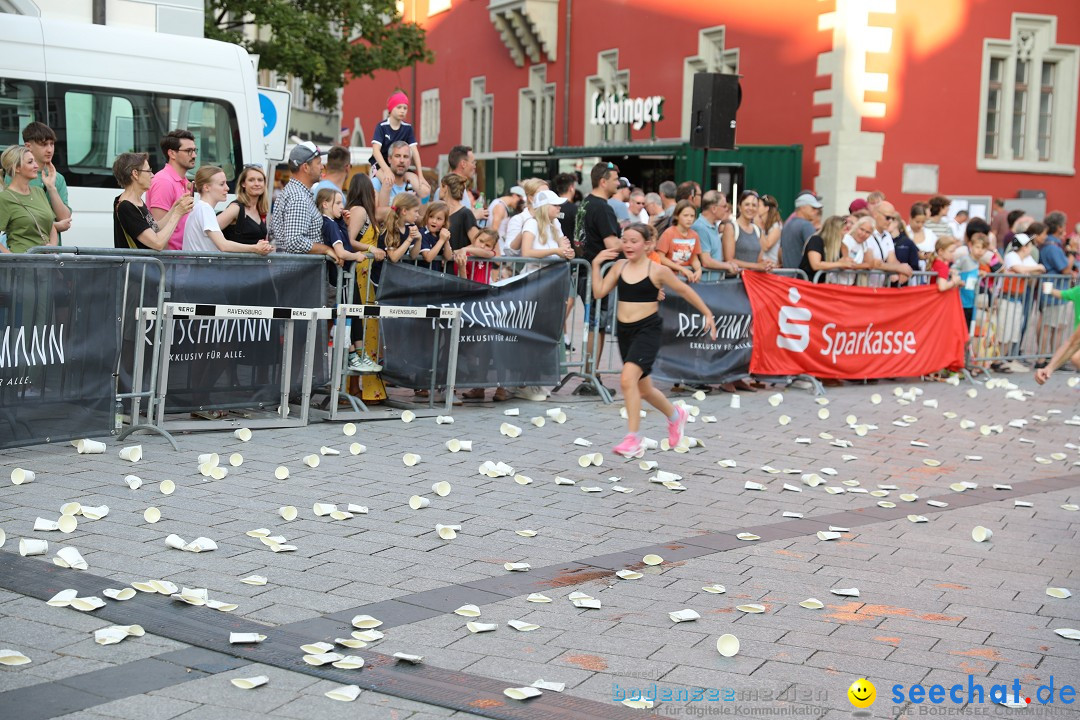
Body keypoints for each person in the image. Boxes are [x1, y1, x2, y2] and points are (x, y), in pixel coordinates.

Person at [591, 223, 718, 458]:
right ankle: (675, 416)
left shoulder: (657, 270)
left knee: (627, 379)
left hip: (647, 330)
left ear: (647, 245)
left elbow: (685, 291)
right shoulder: (619, 266)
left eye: (634, 241)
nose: (627, 245)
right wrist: (596, 264)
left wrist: (707, 313)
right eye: (624, 240)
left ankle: (633, 438)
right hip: (625, 331)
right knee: (645, 389)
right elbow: (599, 292)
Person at [573, 161, 622, 394]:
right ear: (603, 182)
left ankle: (590, 372)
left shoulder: (585, 204)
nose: (618, 183)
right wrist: (635, 242)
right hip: (596, 274)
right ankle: (591, 375)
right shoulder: (602, 207)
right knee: (597, 325)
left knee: (594, 325)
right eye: (615, 179)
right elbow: (612, 245)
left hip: (586, 271)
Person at [344, 173, 388, 397]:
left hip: (366, 273)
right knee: (362, 325)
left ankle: (359, 387)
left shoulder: (365, 211)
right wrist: (370, 249)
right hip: (360, 272)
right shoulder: (359, 210)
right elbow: (350, 241)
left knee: (366, 328)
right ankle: (355, 387)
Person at [270, 142, 342, 267]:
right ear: (306, 167)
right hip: (299, 275)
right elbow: (294, 242)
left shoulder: (294, 192)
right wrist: (326, 249)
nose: (322, 167)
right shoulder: (298, 197)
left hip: (296, 273)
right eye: (318, 163)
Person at [111, 152, 192, 250]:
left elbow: (154, 229)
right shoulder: (126, 206)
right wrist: (178, 214)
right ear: (135, 174)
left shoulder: (136, 202)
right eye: (148, 171)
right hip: (138, 265)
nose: (152, 175)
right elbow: (157, 243)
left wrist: (175, 208)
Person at [183, 166, 271, 254]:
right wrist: (255, 248)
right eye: (222, 184)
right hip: (202, 266)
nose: (227, 188)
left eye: (260, 180)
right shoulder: (204, 209)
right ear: (206, 187)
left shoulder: (201, 208)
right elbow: (223, 245)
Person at [5, 122, 71, 237]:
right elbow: (16, 219)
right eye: (44, 144)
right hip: (23, 248)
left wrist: (51, 188)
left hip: (51, 250)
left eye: (52, 144)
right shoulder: (15, 173)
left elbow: (65, 219)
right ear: (28, 146)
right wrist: (53, 226)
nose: (50, 150)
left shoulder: (58, 178)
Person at [0, 144, 58, 253]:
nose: (36, 166)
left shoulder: (39, 192)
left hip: (46, 263)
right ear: (16, 168)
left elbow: (51, 227)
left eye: (35, 161)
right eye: (30, 162)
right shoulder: (4, 198)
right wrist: (13, 258)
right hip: (22, 265)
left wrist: (52, 249)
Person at [998, 232, 1045, 366]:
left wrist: (1032, 269)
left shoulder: (1026, 258)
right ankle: (996, 360)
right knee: (1004, 332)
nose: (1031, 248)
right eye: (1029, 245)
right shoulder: (1011, 256)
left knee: (1014, 332)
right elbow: (1019, 269)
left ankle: (1001, 361)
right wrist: (1035, 268)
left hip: (1018, 298)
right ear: (1024, 247)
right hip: (1006, 297)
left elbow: (1038, 270)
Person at [147, 129, 197, 250]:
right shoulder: (164, 181)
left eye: (195, 150)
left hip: (182, 261)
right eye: (188, 151)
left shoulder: (184, 181)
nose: (194, 155)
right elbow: (158, 231)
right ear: (172, 153)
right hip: (171, 262)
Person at [370, 91, 423, 187]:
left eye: (405, 108)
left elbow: (414, 151)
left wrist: (421, 175)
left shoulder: (408, 128)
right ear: (390, 109)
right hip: (381, 165)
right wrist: (386, 170)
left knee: (422, 188)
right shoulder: (381, 127)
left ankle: (410, 200)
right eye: (399, 107)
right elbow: (375, 151)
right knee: (388, 182)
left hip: (399, 166)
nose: (402, 111)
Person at [520, 188, 573, 273]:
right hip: (533, 277)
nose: (559, 207)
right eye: (555, 205)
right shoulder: (531, 223)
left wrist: (569, 253)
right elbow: (526, 253)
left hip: (552, 276)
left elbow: (564, 247)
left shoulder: (556, 222)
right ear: (544, 207)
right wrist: (556, 251)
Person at [217, 164, 270, 245]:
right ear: (243, 184)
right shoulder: (236, 208)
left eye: (260, 180)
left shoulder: (259, 209)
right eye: (251, 180)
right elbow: (210, 230)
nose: (257, 184)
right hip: (236, 257)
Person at [373, 140, 431, 214]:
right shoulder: (376, 182)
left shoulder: (413, 185)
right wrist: (403, 207)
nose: (401, 160)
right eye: (397, 156)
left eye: (406, 157)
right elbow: (376, 215)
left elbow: (421, 218)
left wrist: (425, 198)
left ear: (410, 161)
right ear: (389, 159)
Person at [866, 201, 915, 285]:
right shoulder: (866, 233)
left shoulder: (887, 235)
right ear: (875, 214)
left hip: (878, 286)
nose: (890, 221)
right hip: (863, 286)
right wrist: (899, 268)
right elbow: (871, 262)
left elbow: (892, 260)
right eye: (887, 217)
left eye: (893, 218)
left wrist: (903, 269)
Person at [693, 191, 738, 281]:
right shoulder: (700, 227)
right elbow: (706, 261)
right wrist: (727, 265)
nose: (726, 209)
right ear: (714, 208)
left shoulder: (713, 226)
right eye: (724, 206)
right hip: (704, 286)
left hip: (713, 285)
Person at [722, 190, 772, 272]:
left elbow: (759, 260)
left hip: (754, 281)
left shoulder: (757, 230)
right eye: (747, 204)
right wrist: (757, 266)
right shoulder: (731, 227)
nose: (751, 208)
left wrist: (766, 264)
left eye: (754, 205)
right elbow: (729, 260)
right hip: (736, 280)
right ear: (739, 207)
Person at [656, 199, 703, 283]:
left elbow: (694, 258)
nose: (689, 219)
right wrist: (681, 269)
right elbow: (660, 257)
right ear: (677, 216)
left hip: (687, 278)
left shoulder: (694, 235)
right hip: (669, 278)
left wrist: (699, 270)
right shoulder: (669, 233)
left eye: (692, 216)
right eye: (685, 215)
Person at [434, 145, 485, 222]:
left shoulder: (461, 189)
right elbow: (445, 220)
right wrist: (475, 215)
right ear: (463, 164)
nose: (475, 166)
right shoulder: (447, 189)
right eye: (473, 162)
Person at [799, 215, 855, 282]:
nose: (845, 234)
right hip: (807, 283)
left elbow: (845, 262)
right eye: (844, 230)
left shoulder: (841, 246)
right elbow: (815, 265)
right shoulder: (816, 240)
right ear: (835, 230)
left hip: (823, 284)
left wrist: (845, 263)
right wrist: (840, 264)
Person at [504, 178, 548, 258]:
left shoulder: (552, 219)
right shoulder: (518, 219)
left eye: (549, 194)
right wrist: (525, 230)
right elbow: (509, 251)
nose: (548, 197)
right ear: (531, 198)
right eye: (542, 194)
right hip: (526, 268)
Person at [779, 191, 822, 270]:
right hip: (802, 278)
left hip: (787, 276)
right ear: (803, 208)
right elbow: (814, 251)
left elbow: (780, 251)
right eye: (813, 208)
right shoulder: (806, 225)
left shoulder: (787, 225)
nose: (816, 211)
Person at [380, 191, 423, 263]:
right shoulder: (389, 227)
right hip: (383, 273)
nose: (417, 215)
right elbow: (394, 257)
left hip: (399, 273)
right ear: (404, 211)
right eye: (415, 211)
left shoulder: (410, 227)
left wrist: (419, 240)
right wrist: (409, 239)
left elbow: (413, 255)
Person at [441, 173, 479, 252]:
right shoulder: (441, 211)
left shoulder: (466, 214)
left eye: (441, 186)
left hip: (457, 263)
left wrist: (459, 252)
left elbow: (478, 244)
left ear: (446, 188)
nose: (439, 189)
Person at [412, 201, 453, 272]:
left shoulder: (441, 234)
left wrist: (446, 241)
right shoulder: (422, 233)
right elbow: (428, 257)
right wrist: (441, 240)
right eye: (431, 217)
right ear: (426, 217)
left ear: (444, 222)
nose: (434, 221)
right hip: (422, 276)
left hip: (435, 276)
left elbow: (448, 257)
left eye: (439, 219)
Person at [487, 185, 526, 254]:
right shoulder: (500, 206)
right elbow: (494, 230)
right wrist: (496, 251)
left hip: (499, 248)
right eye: (520, 200)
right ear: (515, 196)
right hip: (498, 250)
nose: (519, 204)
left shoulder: (500, 204)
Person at [757, 194, 782, 264]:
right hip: (761, 265)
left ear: (766, 208)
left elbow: (766, 246)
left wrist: (758, 226)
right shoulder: (761, 225)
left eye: (758, 206)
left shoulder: (776, 226)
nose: (755, 208)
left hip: (772, 268)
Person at [553, 173, 578, 240]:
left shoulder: (550, 208)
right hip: (570, 248)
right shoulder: (575, 209)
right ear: (571, 188)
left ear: (558, 188)